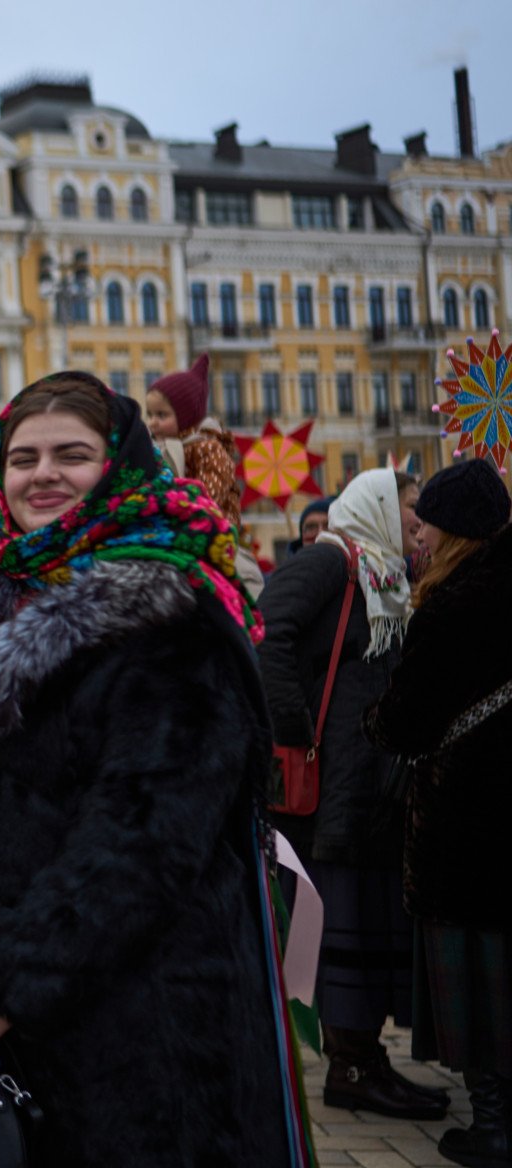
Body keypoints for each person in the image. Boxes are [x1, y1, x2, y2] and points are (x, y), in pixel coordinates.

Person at [0, 372, 296, 1166]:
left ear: (119, 465)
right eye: (23, 458)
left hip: (148, 1011)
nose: (42, 474)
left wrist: (17, 979)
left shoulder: (171, 608)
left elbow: (148, 833)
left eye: (72, 455)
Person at [258, 466, 443, 1120]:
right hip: (333, 786)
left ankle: (365, 1057)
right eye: (410, 508)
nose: (417, 521)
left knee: (363, 922)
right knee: (342, 922)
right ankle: (351, 1066)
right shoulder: (330, 563)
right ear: (376, 507)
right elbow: (266, 635)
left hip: (368, 787)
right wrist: (297, 730)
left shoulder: (383, 573)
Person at [366, 458, 511, 1165]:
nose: (415, 537)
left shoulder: (451, 608)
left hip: (467, 828)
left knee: (480, 988)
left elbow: (406, 724)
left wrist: (374, 722)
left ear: (455, 532)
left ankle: (493, 1126)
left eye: (425, 525)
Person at [145, 353, 266, 597]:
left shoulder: (207, 448)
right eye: (150, 415)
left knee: (236, 583)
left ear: (186, 415)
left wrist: (179, 508)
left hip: (215, 533)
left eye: (162, 415)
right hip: (175, 533)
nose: (153, 423)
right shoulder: (158, 450)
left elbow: (209, 494)